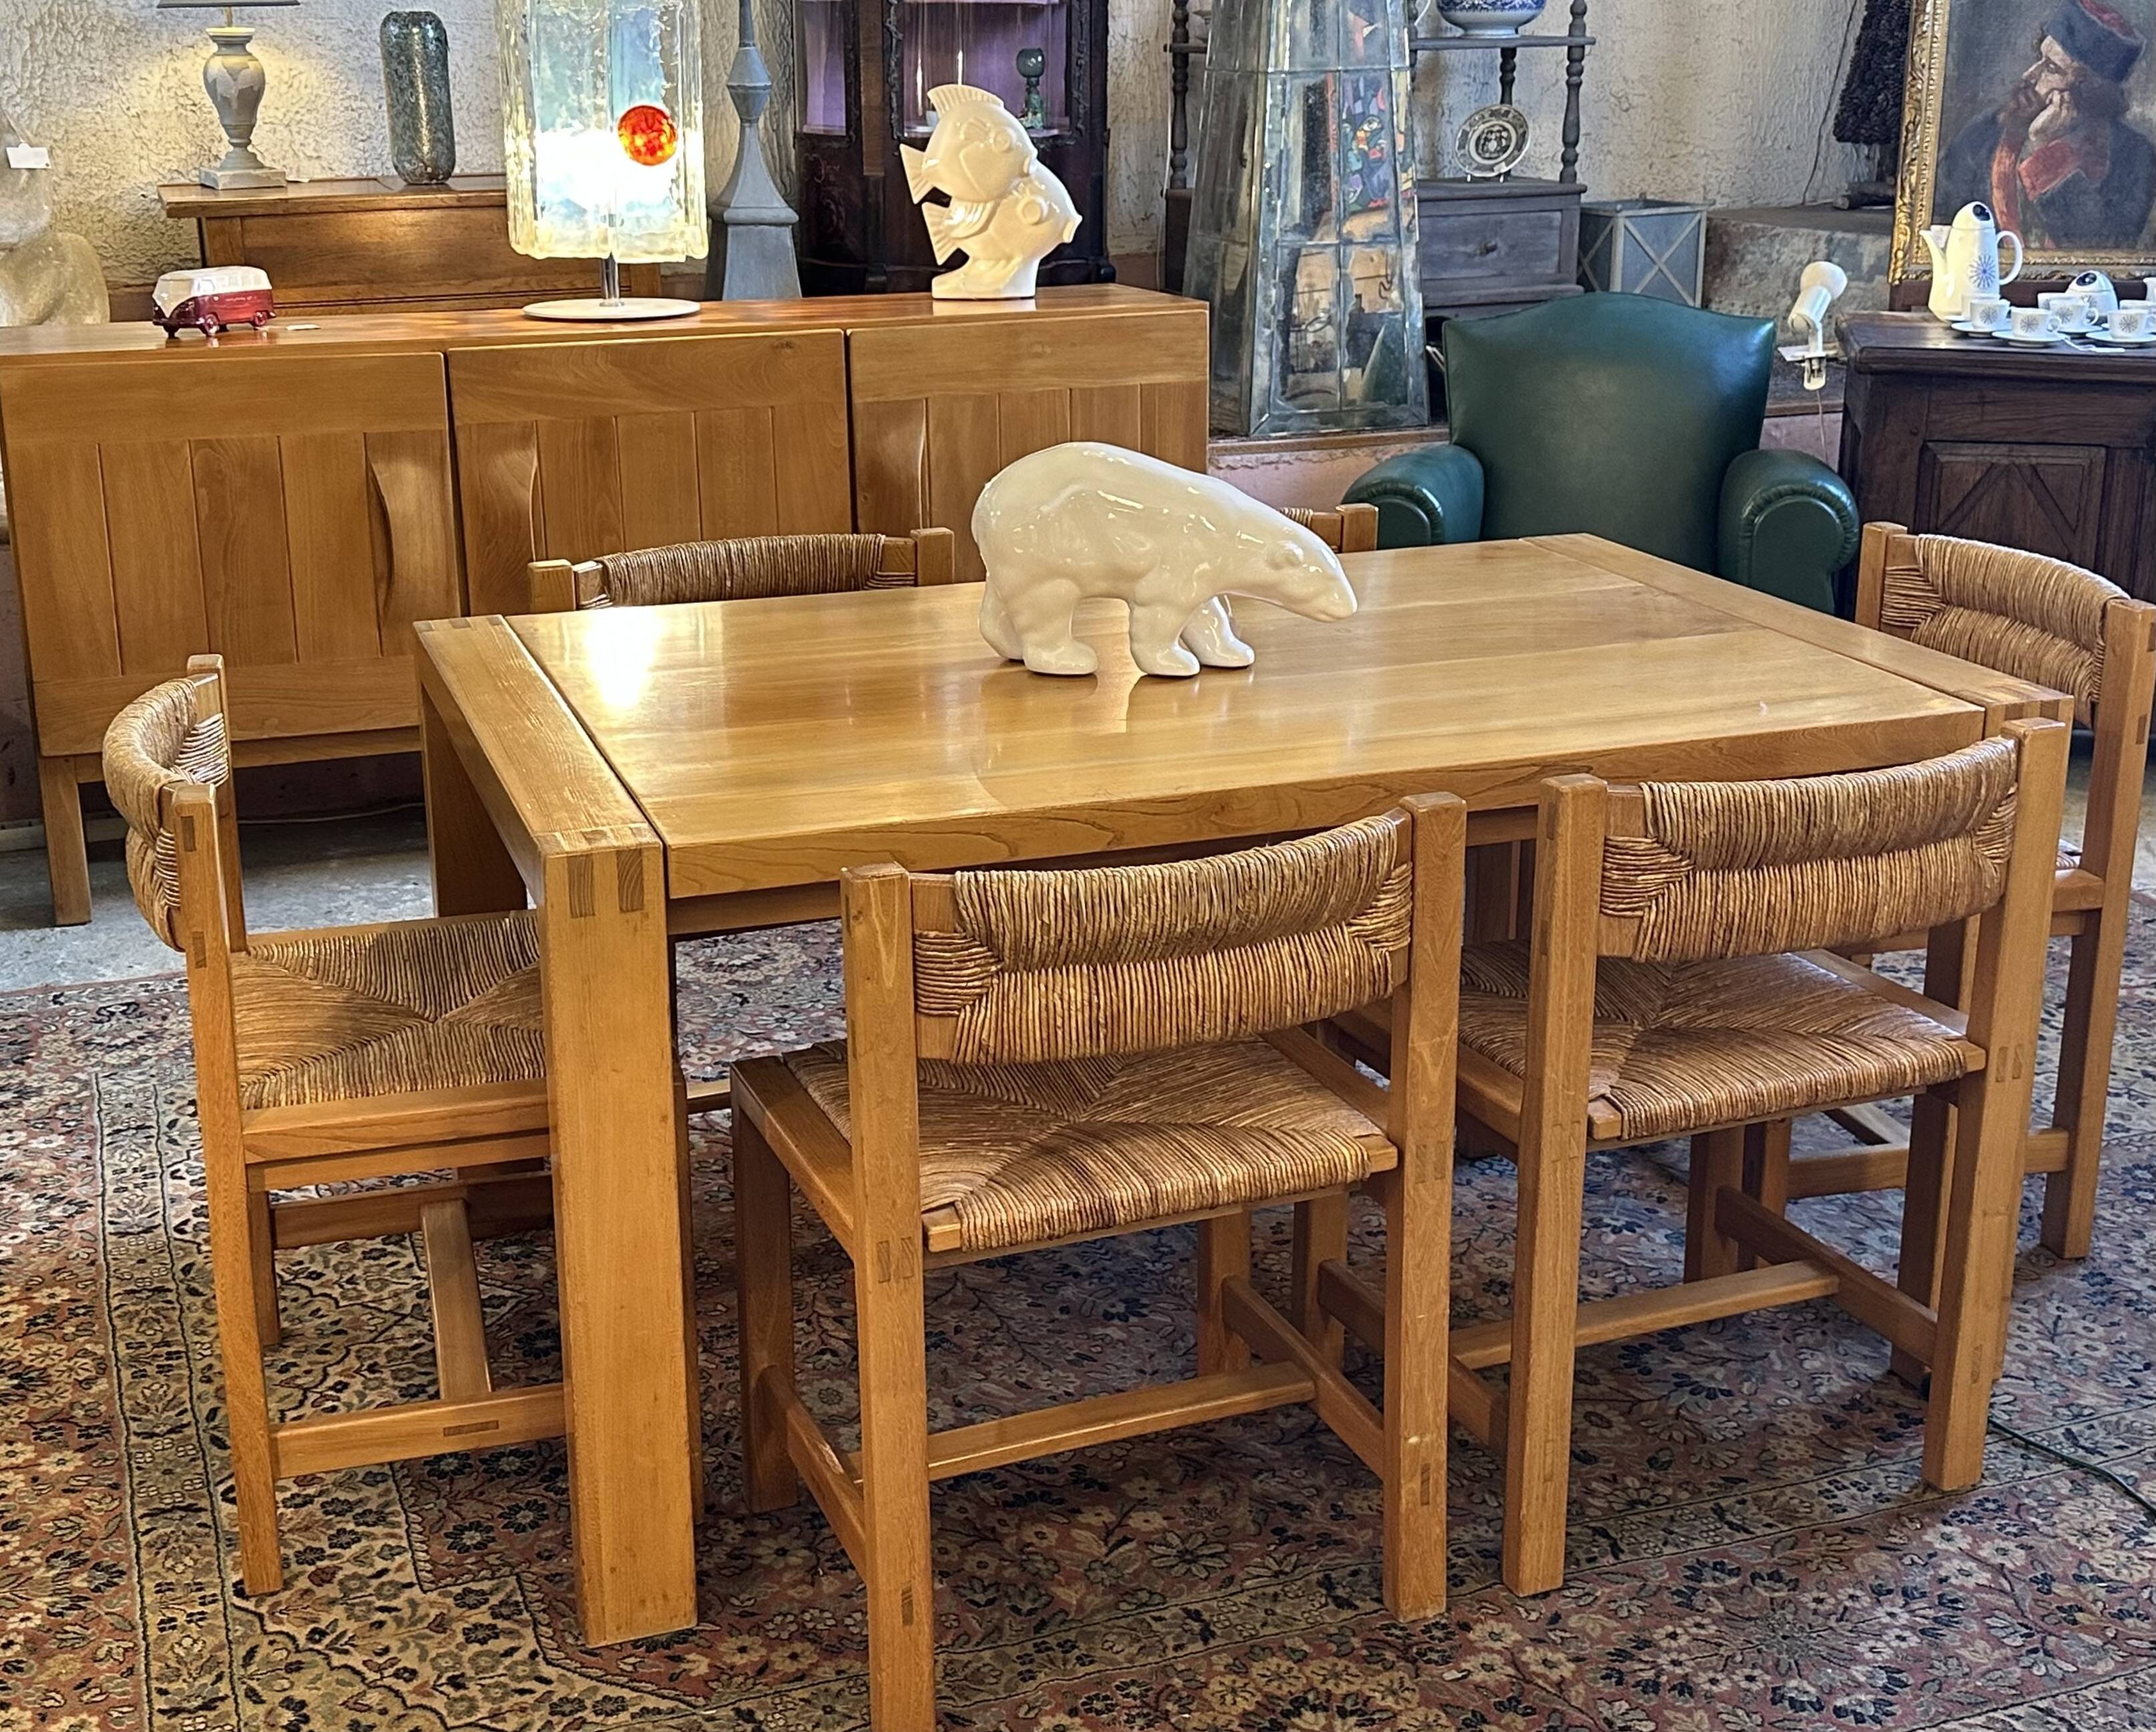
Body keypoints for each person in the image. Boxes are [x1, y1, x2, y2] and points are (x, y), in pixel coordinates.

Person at [1938, 0, 2156, 250]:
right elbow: (1944, 220)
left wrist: (2045, 149)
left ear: (2089, 91)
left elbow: (2100, 247)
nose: (2029, 75)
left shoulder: (2135, 156)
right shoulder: (1983, 135)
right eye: (2039, 59)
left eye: (2052, 68)